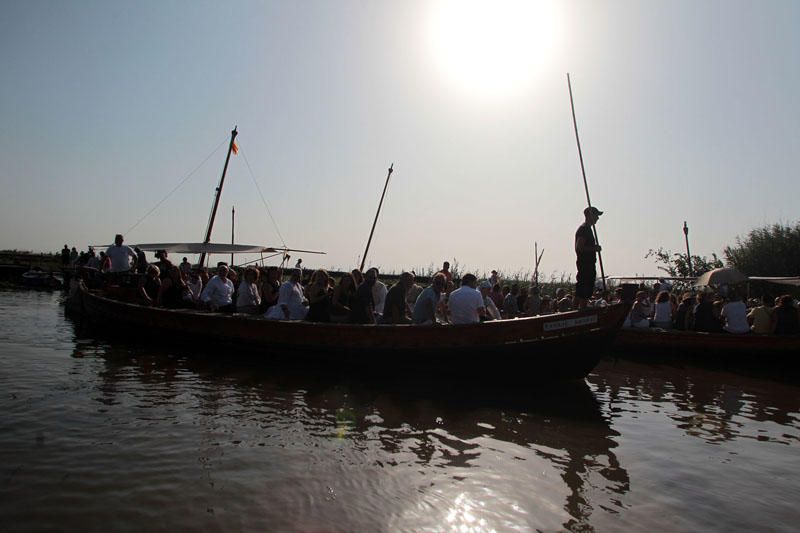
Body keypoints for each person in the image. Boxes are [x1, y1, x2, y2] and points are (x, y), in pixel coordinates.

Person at [574, 206, 603, 309]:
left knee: (586, 287)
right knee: (584, 288)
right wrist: (594, 248)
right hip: (585, 264)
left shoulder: (588, 229)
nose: (597, 218)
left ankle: (580, 308)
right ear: (590, 215)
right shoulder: (584, 229)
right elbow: (579, 247)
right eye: (596, 215)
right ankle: (580, 309)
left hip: (589, 264)